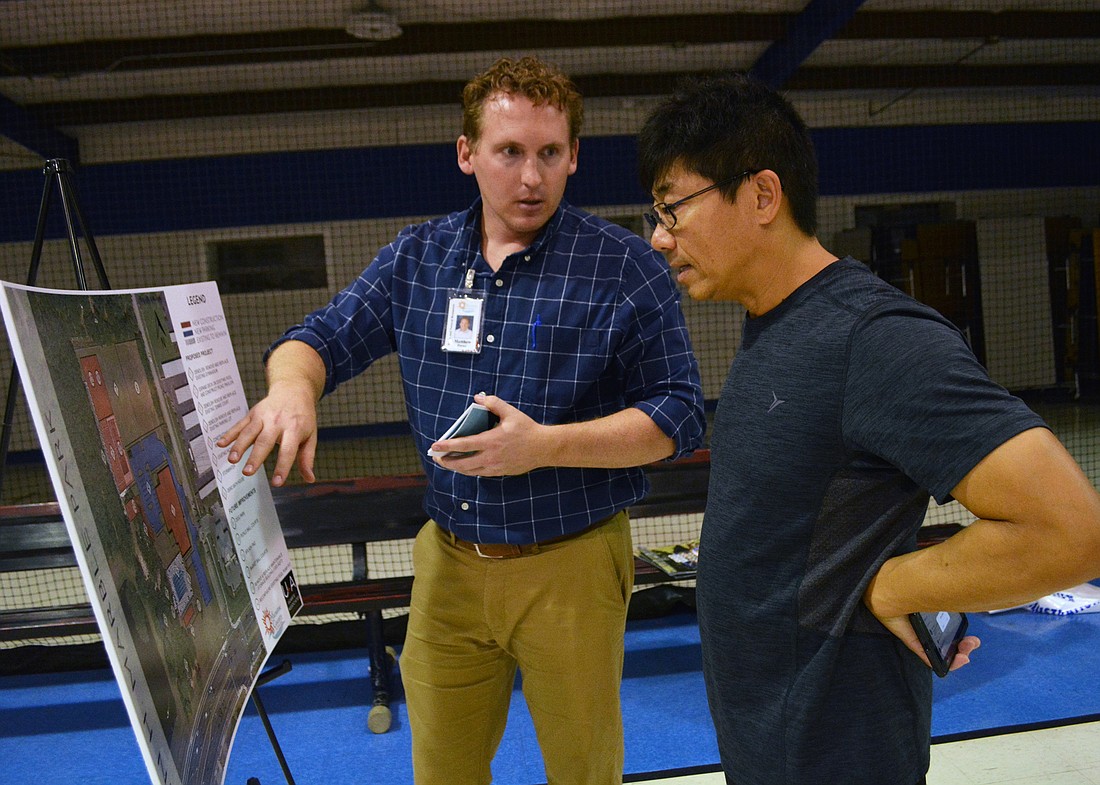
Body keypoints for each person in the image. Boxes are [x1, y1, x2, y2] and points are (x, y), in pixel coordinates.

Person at [219, 56, 705, 784]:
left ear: (575, 155)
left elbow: (679, 412)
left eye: (549, 153)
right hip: (448, 562)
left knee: (583, 768)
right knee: (442, 767)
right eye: (509, 152)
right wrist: (292, 389)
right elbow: (317, 339)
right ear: (467, 154)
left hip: (570, 566)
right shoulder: (418, 258)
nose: (531, 177)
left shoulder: (623, 266)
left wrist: (544, 447)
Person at [636, 71, 1100, 785]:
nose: (662, 238)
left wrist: (895, 587)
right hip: (772, 736)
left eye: (674, 209)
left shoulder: (874, 336)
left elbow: (1070, 529)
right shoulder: (773, 322)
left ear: (762, 195)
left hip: (837, 746)